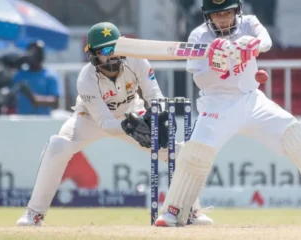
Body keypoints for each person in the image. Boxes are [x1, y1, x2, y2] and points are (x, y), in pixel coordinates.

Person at [154, 0, 301, 227]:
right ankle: (174, 211)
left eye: (228, 12)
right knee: (196, 153)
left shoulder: (249, 23)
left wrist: (249, 46)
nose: (224, 19)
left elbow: (266, 41)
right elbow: (200, 80)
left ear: (237, 10)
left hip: (252, 100)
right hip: (217, 104)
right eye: (218, 14)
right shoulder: (199, 36)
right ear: (208, 16)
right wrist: (218, 66)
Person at [16, 22, 213, 226]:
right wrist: (131, 127)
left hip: (132, 112)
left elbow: (155, 95)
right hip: (90, 119)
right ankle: (34, 213)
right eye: (104, 51)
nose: (111, 55)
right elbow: (105, 122)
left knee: (177, 152)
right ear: (92, 54)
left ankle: (191, 210)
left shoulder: (137, 61)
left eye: (114, 48)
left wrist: (158, 114)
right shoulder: (86, 78)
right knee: (58, 146)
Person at [11, 40, 60, 115]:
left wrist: (34, 98)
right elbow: (10, 98)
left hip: (42, 122)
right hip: (22, 121)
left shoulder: (50, 76)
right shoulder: (19, 75)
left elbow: (55, 103)